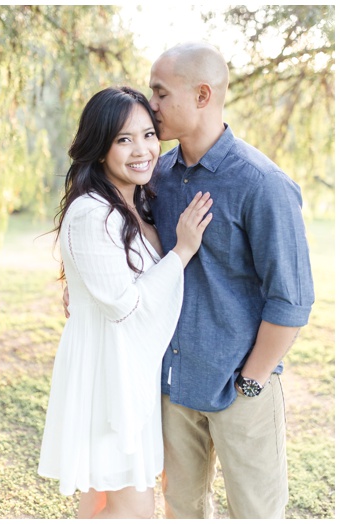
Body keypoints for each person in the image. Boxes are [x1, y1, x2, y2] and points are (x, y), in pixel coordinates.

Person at [147, 42, 314, 519]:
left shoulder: (263, 184)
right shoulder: (156, 174)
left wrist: (253, 381)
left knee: (255, 513)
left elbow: (292, 299)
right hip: (173, 388)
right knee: (182, 510)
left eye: (160, 93)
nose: (150, 105)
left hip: (242, 391)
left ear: (202, 95)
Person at [39, 86, 213, 518]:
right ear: (99, 149)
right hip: (107, 377)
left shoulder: (137, 204)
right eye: (123, 139)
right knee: (131, 506)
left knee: (103, 501)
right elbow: (124, 304)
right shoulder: (92, 212)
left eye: (149, 134)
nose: (142, 150)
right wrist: (182, 252)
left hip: (128, 371)